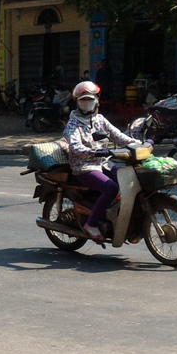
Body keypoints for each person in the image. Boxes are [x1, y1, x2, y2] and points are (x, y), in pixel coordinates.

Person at [63, 81, 141, 243]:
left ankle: (113, 215)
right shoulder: (73, 123)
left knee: (128, 181)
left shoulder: (100, 119)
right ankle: (91, 224)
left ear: (97, 100)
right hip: (84, 166)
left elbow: (117, 136)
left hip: (103, 162)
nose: (87, 103)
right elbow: (75, 146)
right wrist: (95, 151)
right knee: (111, 188)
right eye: (83, 100)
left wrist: (137, 144)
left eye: (90, 99)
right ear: (77, 102)